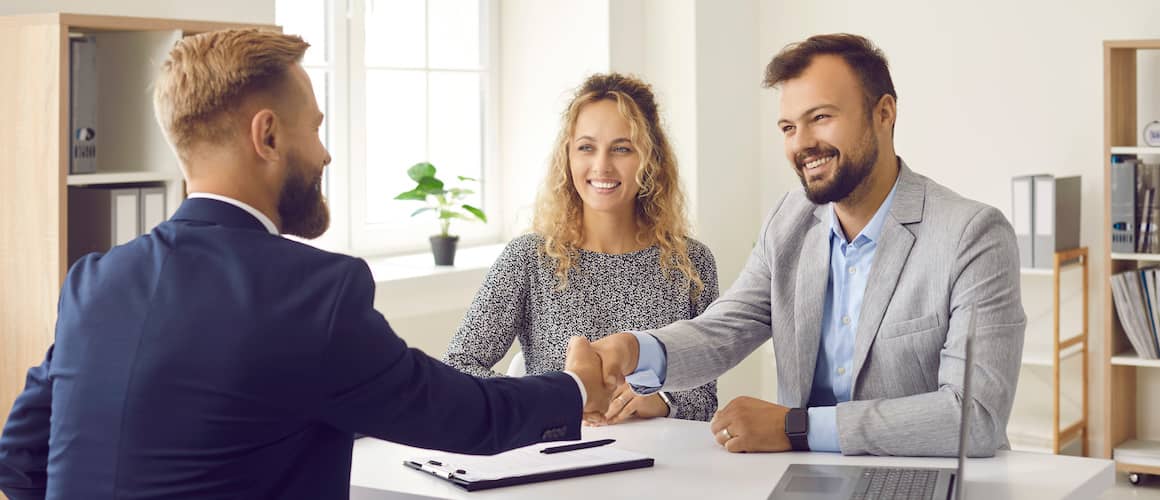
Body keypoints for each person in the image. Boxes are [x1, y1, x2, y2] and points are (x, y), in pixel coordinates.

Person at [0, 29, 611, 500]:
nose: (324, 152)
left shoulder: (95, 283)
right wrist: (577, 385)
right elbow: (464, 418)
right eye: (315, 129)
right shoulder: (312, 294)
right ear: (266, 137)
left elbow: (21, 461)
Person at [571, 33, 1026, 457]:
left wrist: (797, 427)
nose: (802, 144)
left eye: (821, 118)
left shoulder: (972, 235)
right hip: (804, 481)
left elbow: (975, 416)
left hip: (920, 478)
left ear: (884, 113)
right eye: (788, 127)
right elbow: (725, 330)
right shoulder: (788, 222)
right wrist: (633, 350)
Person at [443, 73, 719, 423]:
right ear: (568, 156)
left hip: (659, 463)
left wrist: (661, 401)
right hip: (558, 459)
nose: (601, 165)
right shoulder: (529, 259)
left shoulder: (690, 263)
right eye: (586, 147)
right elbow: (459, 366)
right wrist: (549, 399)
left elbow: (705, 398)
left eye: (622, 148)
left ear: (651, 158)